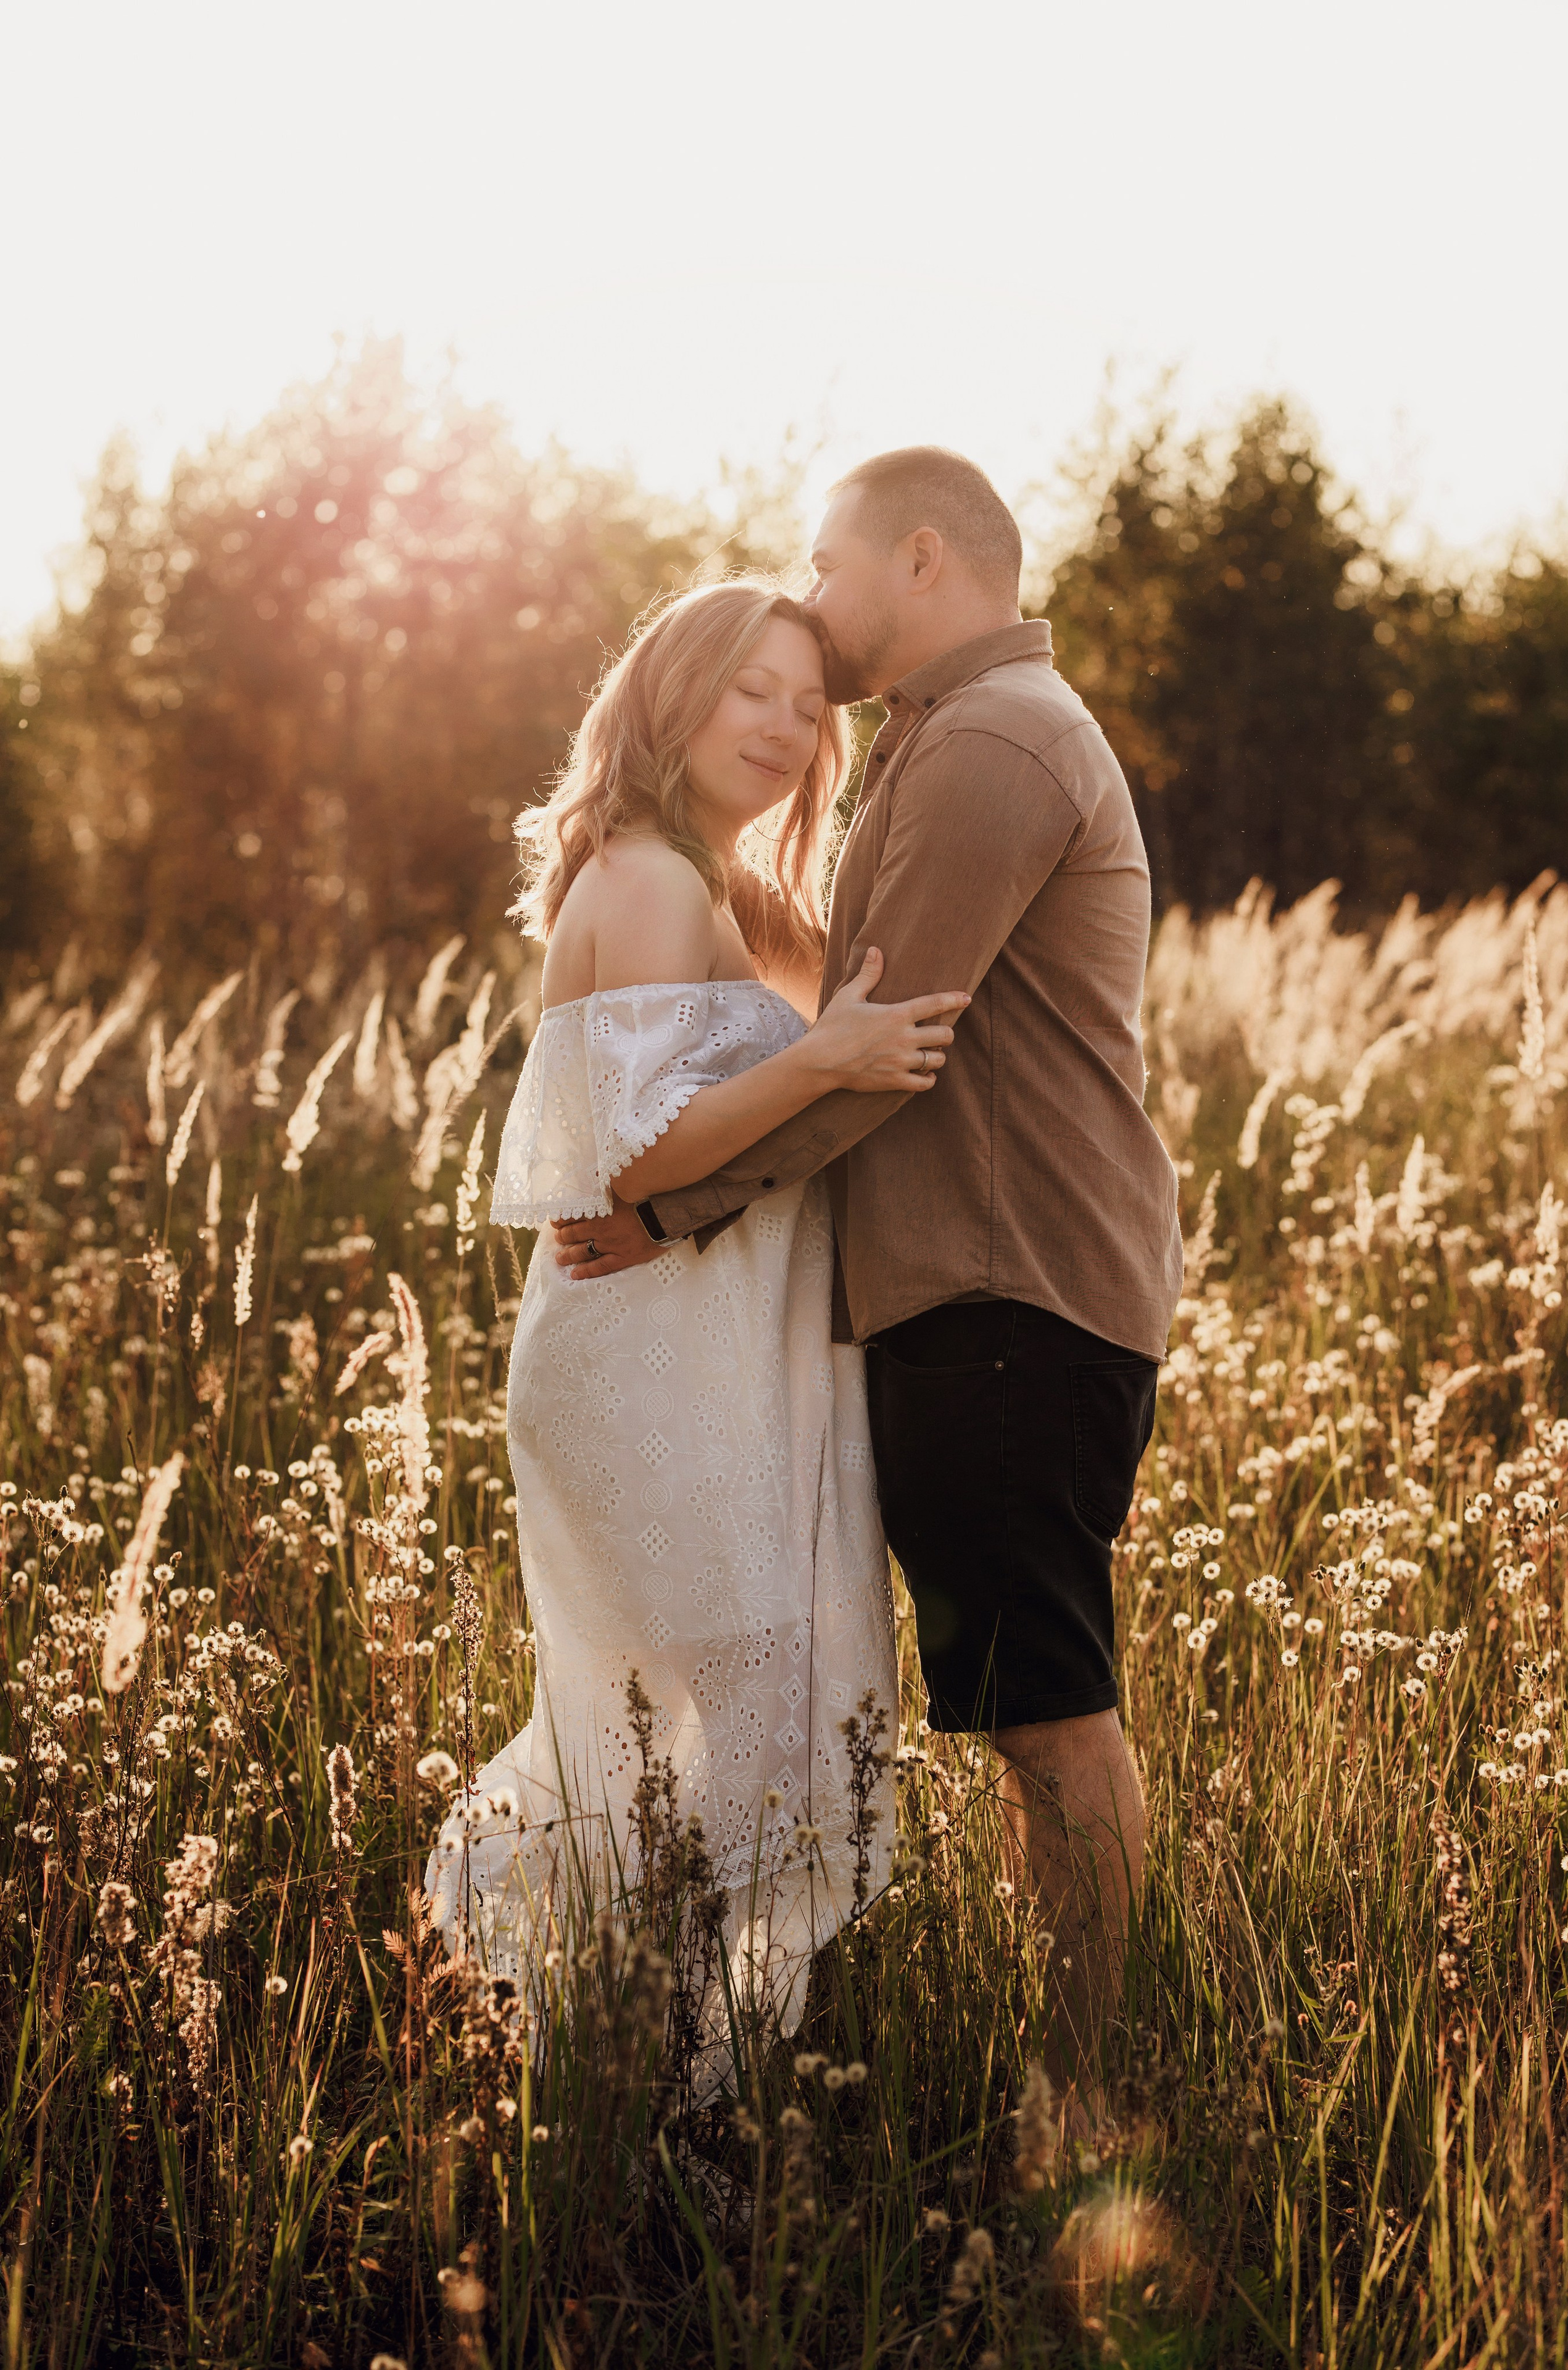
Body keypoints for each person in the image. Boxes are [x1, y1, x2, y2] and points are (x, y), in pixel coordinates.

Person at [558, 448, 1184, 2126]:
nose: (818, 613)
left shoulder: (987, 741)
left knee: (1050, 1715)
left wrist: (672, 1203)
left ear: (920, 559)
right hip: (986, 1288)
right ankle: (1085, 2055)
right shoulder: (957, 733)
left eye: (827, 571)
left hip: (1004, 1287)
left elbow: (883, 1051)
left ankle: (1098, 2078)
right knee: (1016, 1703)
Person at [425, 577, 970, 2093]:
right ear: (671, 695)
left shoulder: (699, 881)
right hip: (649, 1353)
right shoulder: (655, 876)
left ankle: (644, 2057)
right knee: (728, 1716)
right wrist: (838, 1057)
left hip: (692, 1344)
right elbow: (640, 1156)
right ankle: (651, 2071)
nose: (790, 727)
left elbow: (850, 952)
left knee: (703, 1721)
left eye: (813, 705)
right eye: (754, 691)